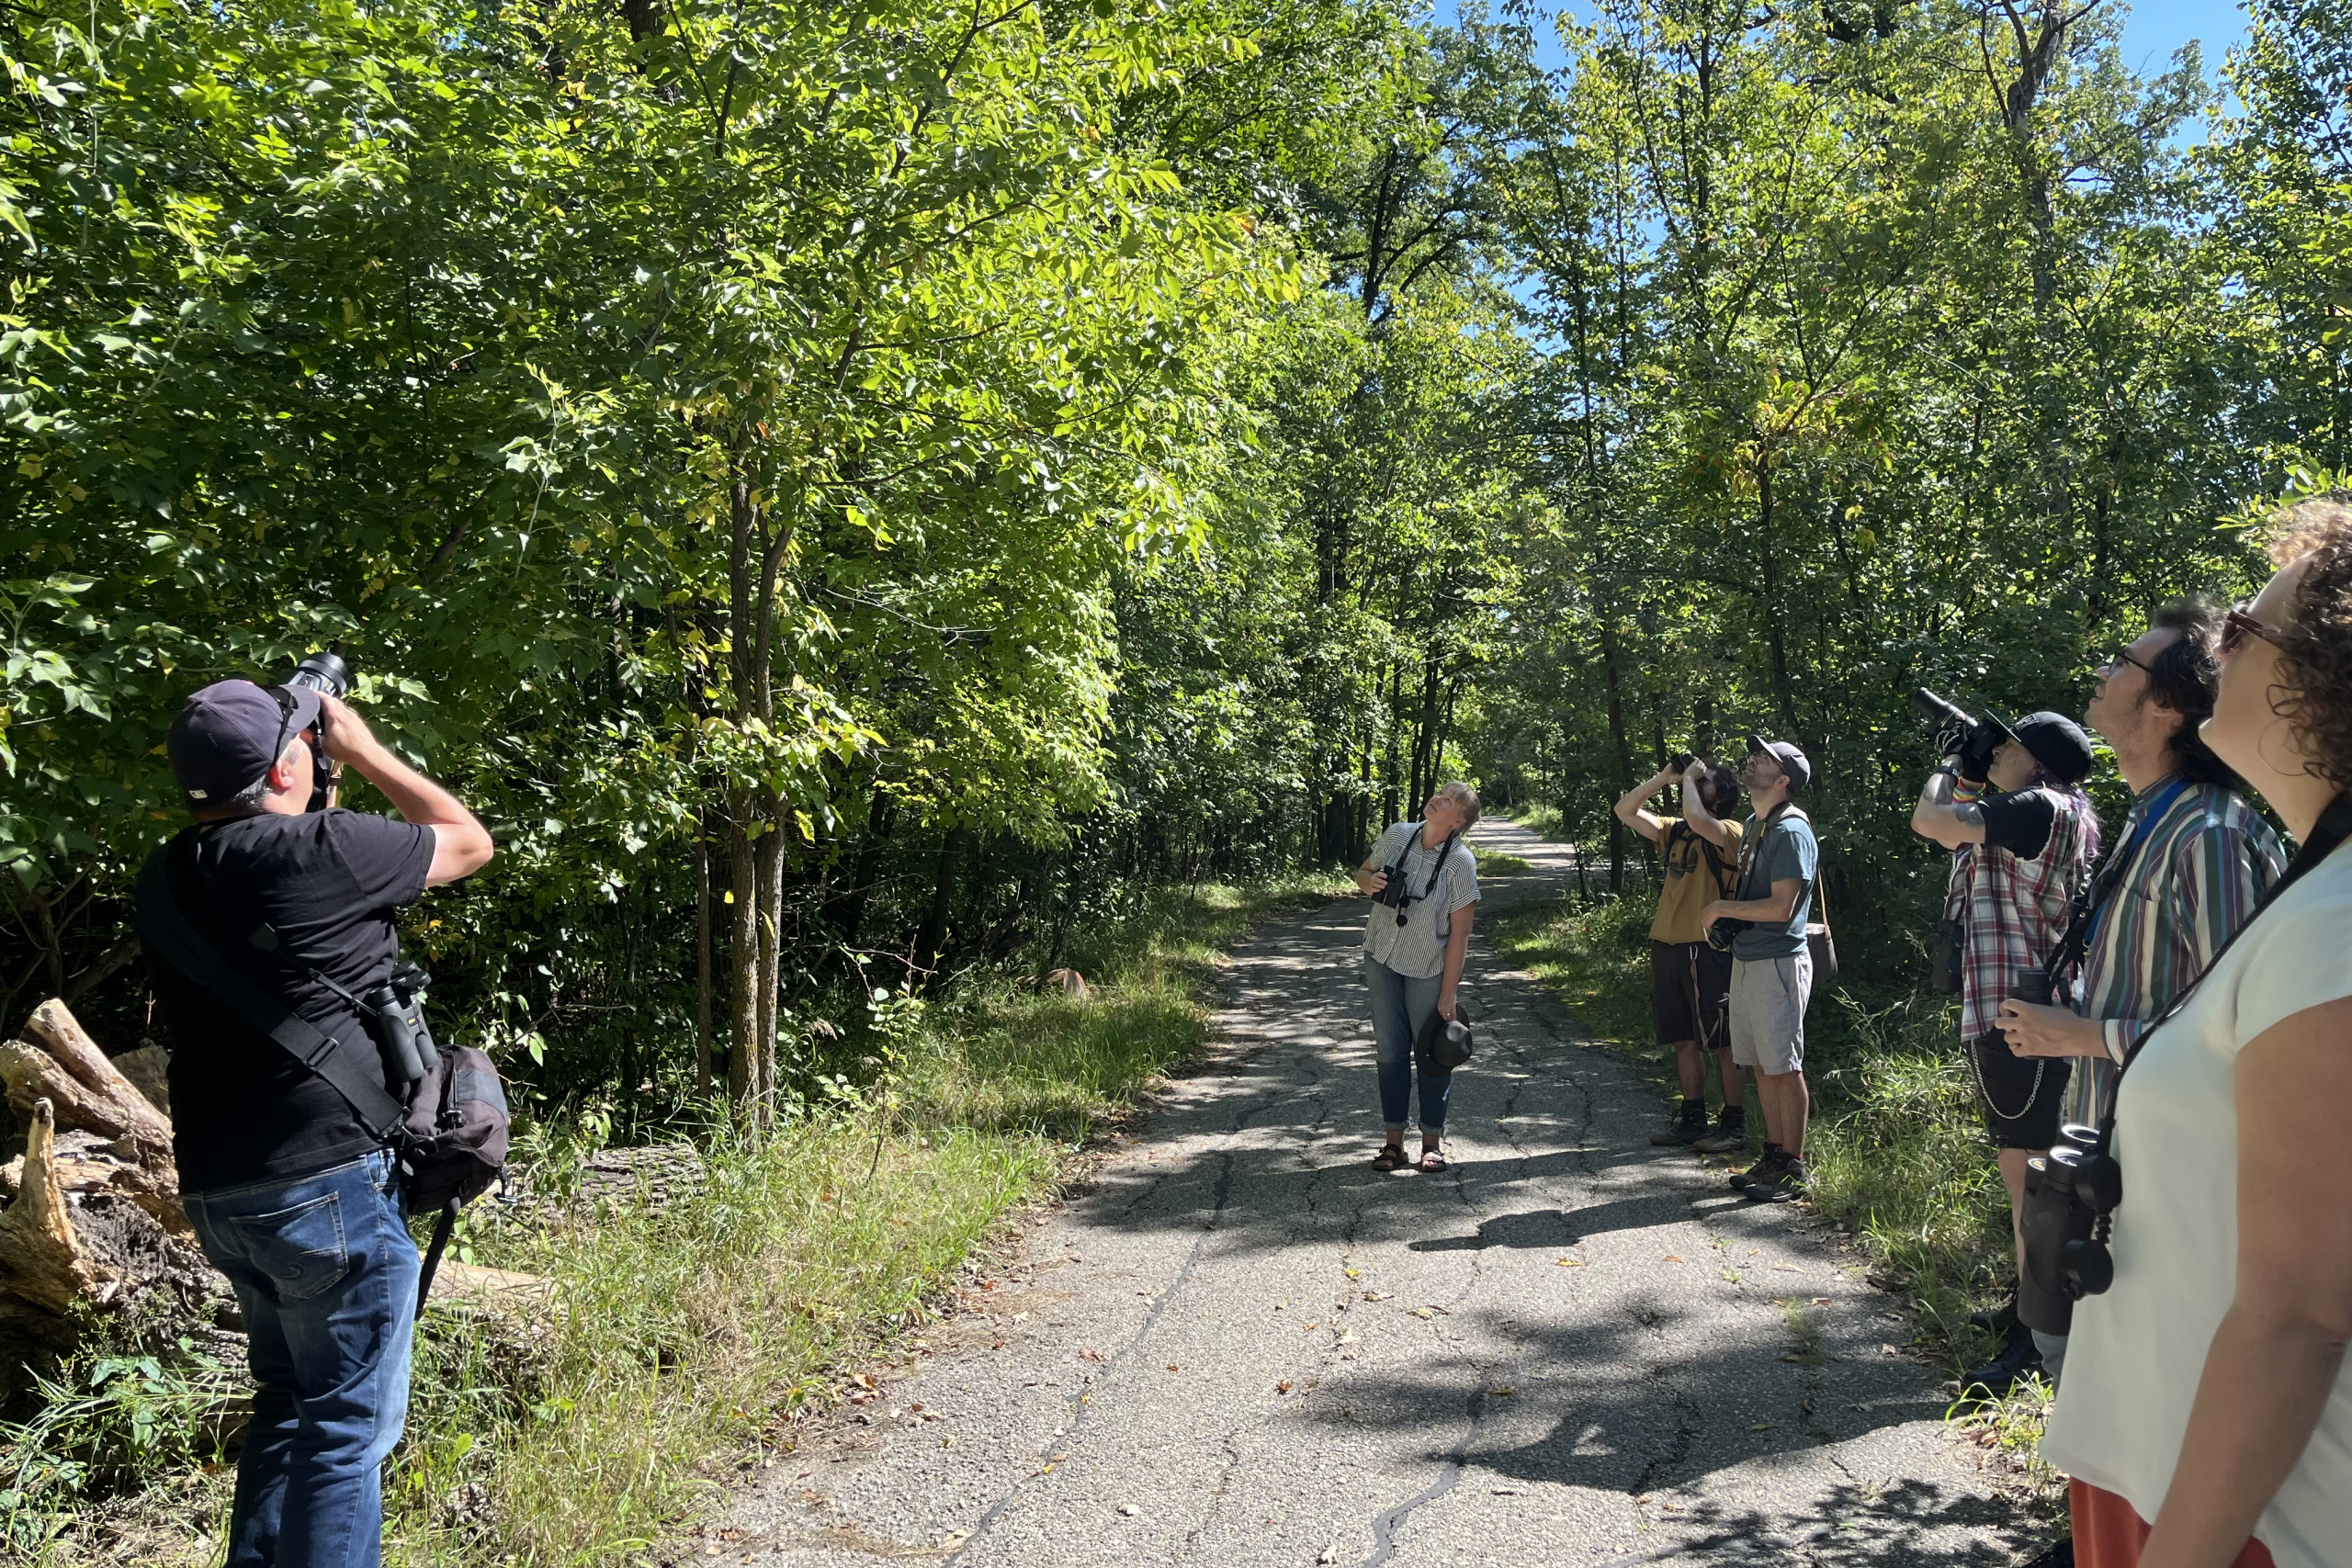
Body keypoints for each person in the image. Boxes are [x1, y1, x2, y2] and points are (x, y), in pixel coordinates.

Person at [2039, 498, 2352, 1568]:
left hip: (2243, 1512)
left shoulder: (2338, 923)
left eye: (2244, 635)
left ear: (2324, 680)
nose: (2219, 654)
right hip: (2167, 1460)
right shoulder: (2319, 895)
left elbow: (2298, 1318)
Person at [152, 675, 493, 1568]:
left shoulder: (164, 880)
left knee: (288, 1406)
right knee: (346, 1434)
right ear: (289, 761)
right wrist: (365, 752)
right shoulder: (322, 848)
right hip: (328, 1187)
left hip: (222, 1194)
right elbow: (468, 842)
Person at [1996, 602, 2284, 1390]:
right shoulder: (2148, 820)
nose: (2102, 670)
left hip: (2174, 1177)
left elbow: (2241, 1030)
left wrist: (2083, 1035)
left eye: (2122, 660)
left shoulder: (2211, 836)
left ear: (2167, 705)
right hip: (2114, 1160)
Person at [1910, 705, 2099, 1392]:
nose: (1996, 749)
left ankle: (2035, 1331)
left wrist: (1950, 764)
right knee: (2030, 1170)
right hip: (2032, 1008)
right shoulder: (2053, 809)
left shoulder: (2035, 807)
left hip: (2017, 1017)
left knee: (2029, 1181)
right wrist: (1973, 772)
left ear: (2039, 759)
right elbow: (1955, 837)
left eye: (2008, 742)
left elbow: (1931, 823)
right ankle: (2029, 1302)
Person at [1698, 736, 1817, 1201]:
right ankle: (1774, 1155)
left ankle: (1795, 1168)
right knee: (1763, 1067)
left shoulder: (1790, 831)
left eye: (1765, 758)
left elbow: (1784, 906)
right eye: (1754, 755)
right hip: (1749, 959)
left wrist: (1720, 907)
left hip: (1778, 962)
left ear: (1783, 779)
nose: (1752, 761)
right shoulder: (1755, 823)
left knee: (1784, 1067)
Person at [1613, 759, 1749, 1152]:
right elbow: (1625, 811)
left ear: (1721, 795)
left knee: (1723, 1041)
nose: (1695, 783)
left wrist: (1688, 778)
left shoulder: (1731, 832)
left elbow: (1700, 817)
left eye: (1705, 782)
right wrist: (1665, 778)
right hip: (1667, 945)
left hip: (1710, 949)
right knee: (1683, 1039)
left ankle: (1734, 1123)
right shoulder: (1676, 830)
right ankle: (1693, 1118)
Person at [1354, 782, 1482, 1174]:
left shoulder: (1460, 862)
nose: (1437, 798)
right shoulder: (1397, 834)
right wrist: (1368, 883)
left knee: (1431, 1055)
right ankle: (1394, 1144)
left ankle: (1432, 1143)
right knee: (1389, 1053)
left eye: (1448, 800)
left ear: (1457, 820)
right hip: (1381, 956)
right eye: (1439, 793)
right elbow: (1363, 872)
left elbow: (1460, 933)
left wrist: (1449, 991)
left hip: (1428, 966)